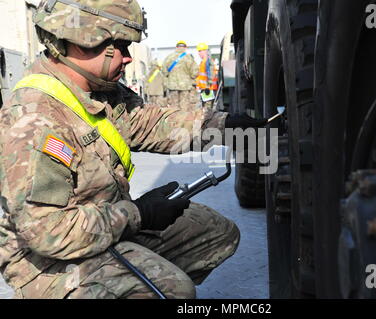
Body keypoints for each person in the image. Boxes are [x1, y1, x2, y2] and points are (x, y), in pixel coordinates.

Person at [0, 0, 266, 299]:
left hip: (104, 228)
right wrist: (139, 214)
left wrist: (225, 126)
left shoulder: (97, 91)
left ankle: (131, 271)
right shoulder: (34, 120)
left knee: (214, 232)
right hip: (49, 262)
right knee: (171, 290)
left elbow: (150, 123)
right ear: (79, 44)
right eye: (120, 47)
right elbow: (49, 233)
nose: (127, 58)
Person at [162, 41, 199, 111]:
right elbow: (195, 72)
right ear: (185, 48)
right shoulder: (189, 58)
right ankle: (183, 121)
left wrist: (169, 76)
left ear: (176, 47)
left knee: (173, 107)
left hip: (172, 86)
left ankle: (174, 121)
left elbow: (164, 71)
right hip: (185, 86)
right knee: (184, 107)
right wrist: (190, 77)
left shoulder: (169, 57)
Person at [196, 43, 219, 109]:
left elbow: (210, 74)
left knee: (207, 109)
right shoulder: (203, 61)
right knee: (205, 108)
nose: (199, 53)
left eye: (201, 51)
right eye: (199, 51)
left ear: (205, 51)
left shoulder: (207, 61)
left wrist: (208, 87)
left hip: (208, 89)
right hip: (205, 89)